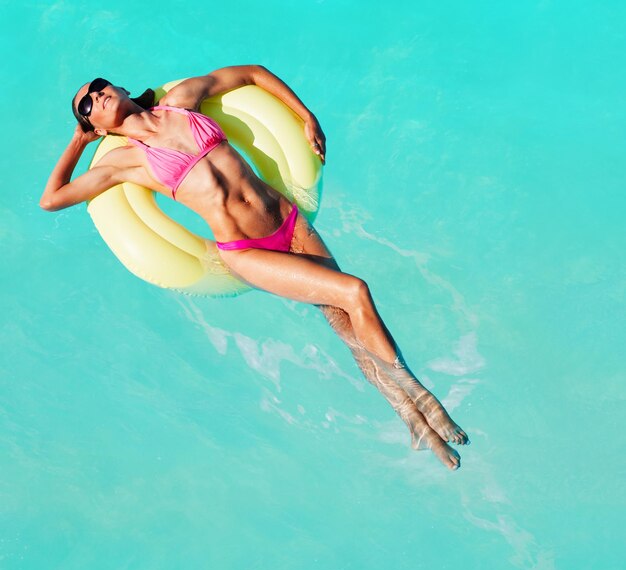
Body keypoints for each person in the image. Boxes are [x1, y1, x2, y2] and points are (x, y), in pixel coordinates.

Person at [40, 65, 469, 470]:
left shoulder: (181, 101)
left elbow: (251, 73)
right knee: (354, 291)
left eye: (99, 87)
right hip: (247, 250)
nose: (97, 96)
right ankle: (422, 396)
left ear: (120, 89)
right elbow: (51, 199)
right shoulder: (124, 163)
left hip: (287, 219)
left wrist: (307, 116)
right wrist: (80, 140)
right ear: (95, 125)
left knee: (345, 324)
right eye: (87, 105)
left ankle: (415, 424)